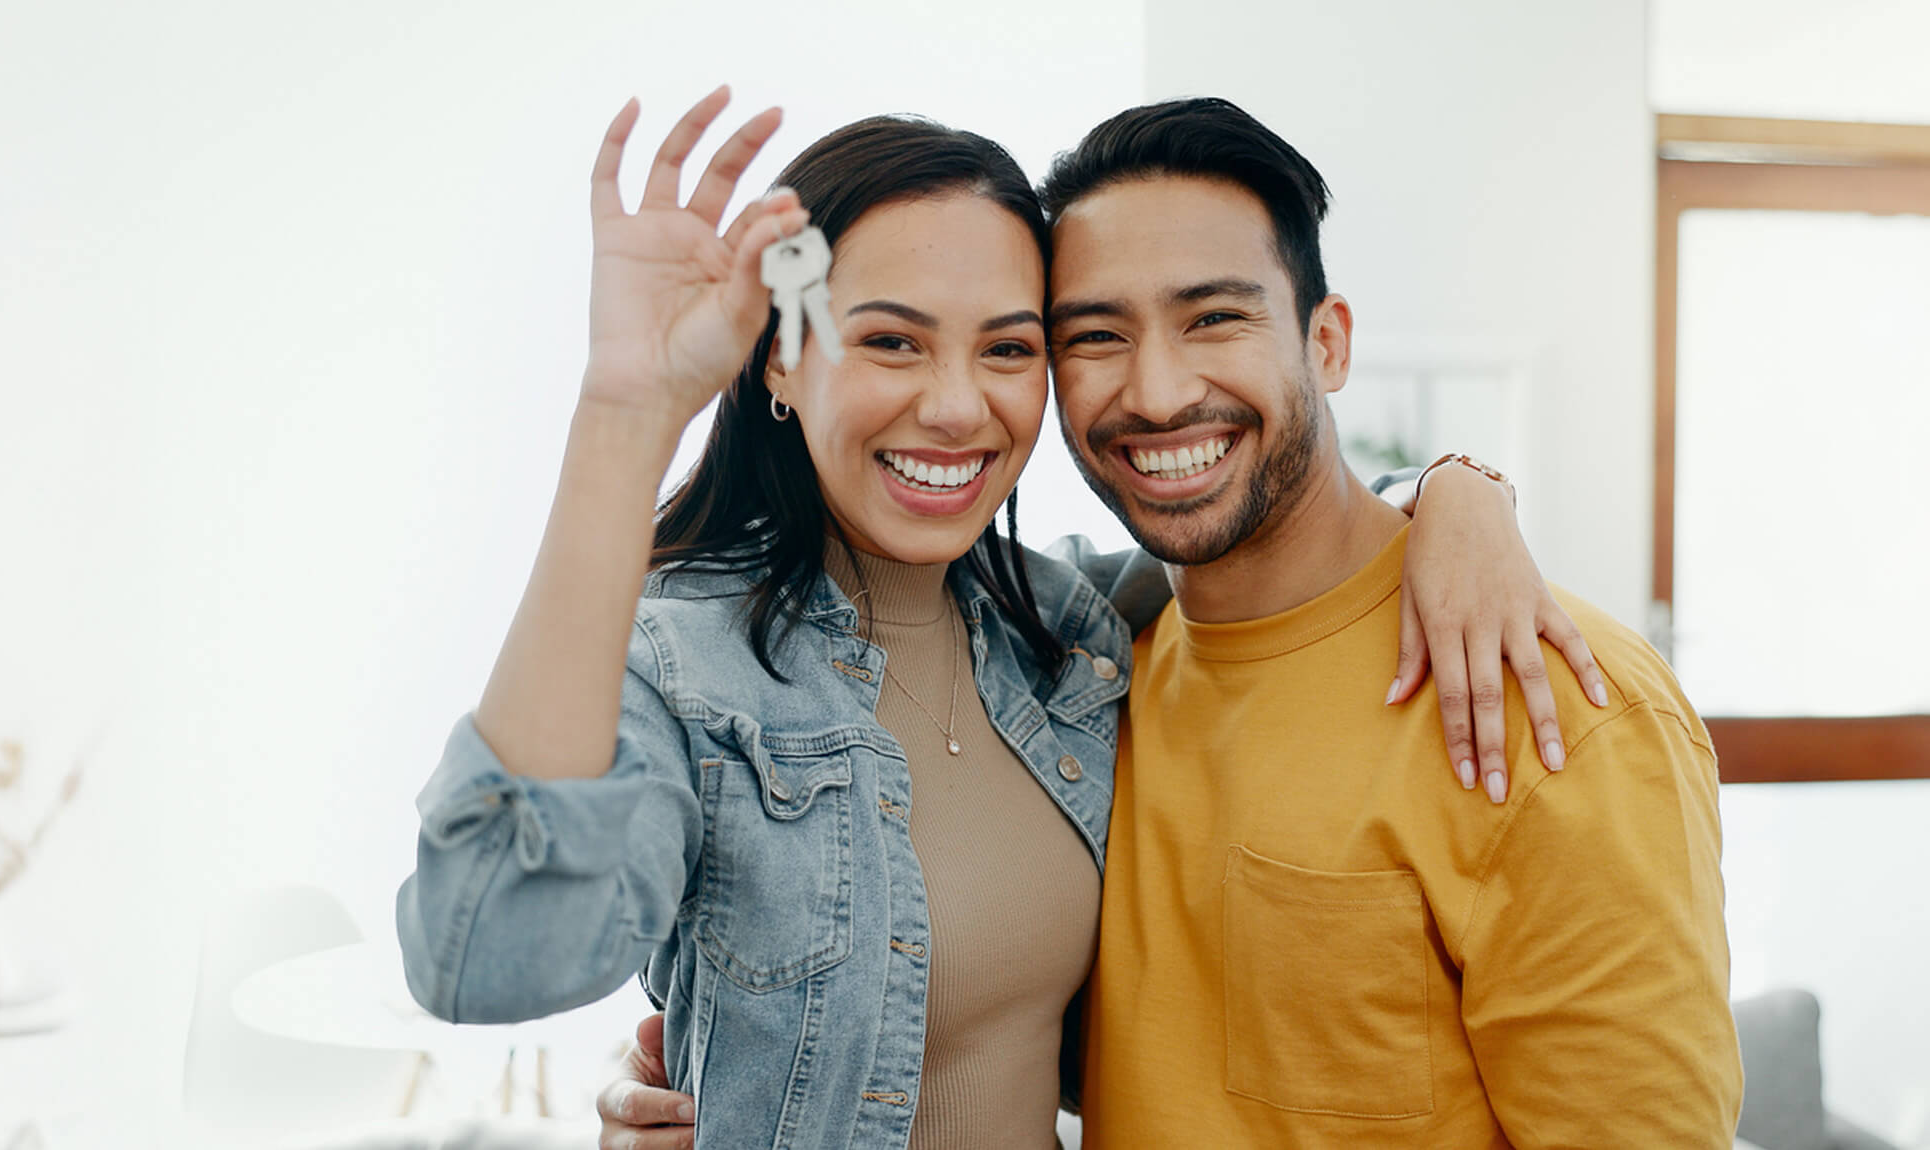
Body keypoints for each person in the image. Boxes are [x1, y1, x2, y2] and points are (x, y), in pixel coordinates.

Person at [400, 88, 1600, 1150]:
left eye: (1010, 348)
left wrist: (1458, 497)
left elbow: (1276, 541)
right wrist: (627, 409)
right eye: (889, 341)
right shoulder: (685, 662)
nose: (957, 406)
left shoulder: (1069, 632)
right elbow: (489, 957)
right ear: (777, 360)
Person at [1035, 99, 1736, 1146]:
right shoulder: (1080, 669)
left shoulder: (1560, 701)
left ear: (1327, 342)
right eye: (1096, 335)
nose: (1159, 389)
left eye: (1215, 317)